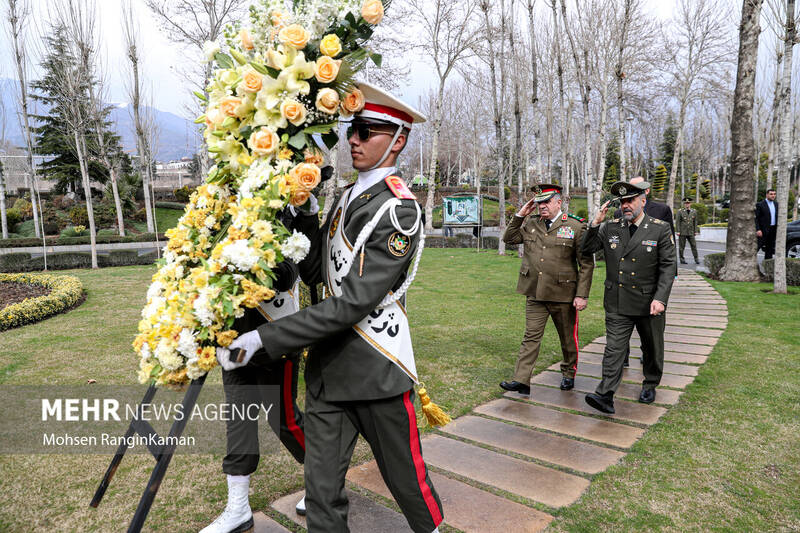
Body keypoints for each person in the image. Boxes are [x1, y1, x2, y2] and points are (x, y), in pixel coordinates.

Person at [216, 82, 444, 533]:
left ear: (398, 140)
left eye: (367, 131)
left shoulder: (398, 210)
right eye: (352, 130)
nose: (353, 140)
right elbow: (319, 271)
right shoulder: (347, 196)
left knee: (406, 483)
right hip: (327, 373)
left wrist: (263, 338)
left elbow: (353, 303)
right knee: (320, 495)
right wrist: (300, 207)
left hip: (374, 369)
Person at [201, 207, 309, 533]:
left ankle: (325, 480)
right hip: (231, 342)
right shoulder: (216, 210)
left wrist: (241, 260)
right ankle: (238, 508)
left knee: (284, 421)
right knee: (239, 422)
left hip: (274, 339)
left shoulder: (279, 203)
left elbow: (286, 273)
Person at [580, 180, 677, 413]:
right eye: (622, 201)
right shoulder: (612, 227)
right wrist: (595, 223)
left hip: (648, 302)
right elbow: (587, 248)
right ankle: (605, 394)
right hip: (617, 301)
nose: (625, 205)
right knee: (614, 349)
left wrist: (660, 298)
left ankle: (650, 383)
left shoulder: (659, 228)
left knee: (652, 347)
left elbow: (668, 266)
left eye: (630, 200)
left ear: (643, 201)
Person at [499, 184, 594, 395]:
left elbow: (586, 264)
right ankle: (521, 380)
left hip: (563, 295)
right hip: (535, 292)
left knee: (568, 339)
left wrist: (581, 295)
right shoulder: (532, 223)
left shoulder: (575, 226)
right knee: (531, 337)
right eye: (539, 202)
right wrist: (520, 215)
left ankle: (569, 372)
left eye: (546, 202)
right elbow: (509, 238)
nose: (541, 206)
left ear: (559, 202)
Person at [612, 176, 674, 368]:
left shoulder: (661, 211)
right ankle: (622, 357)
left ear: (645, 192)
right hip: (625, 283)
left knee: (651, 337)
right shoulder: (619, 212)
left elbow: (669, 251)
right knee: (620, 334)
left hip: (648, 280)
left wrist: (664, 289)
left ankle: (648, 364)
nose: (626, 203)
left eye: (636, 188)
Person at [675, 197, 699, 264]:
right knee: (681, 247)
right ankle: (682, 259)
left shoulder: (694, 211)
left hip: (691, 232)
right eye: (686, 203)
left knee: (694, 246)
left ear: (690, 203)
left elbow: (695, 222)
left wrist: (695, 231)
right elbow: (678, 222)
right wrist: (678, 231)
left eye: (688, 203)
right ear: (684, 204)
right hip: (682, 232)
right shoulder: (680, 211)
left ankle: (696, 259)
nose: (687, 204)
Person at [756, 189, 778, 259]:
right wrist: (758, 229)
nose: (773, 196)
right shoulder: (760, 204)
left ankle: (767, 265)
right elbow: (756, 218)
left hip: (773, 229)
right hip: (762, 230)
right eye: (771, 194)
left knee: (769, 249)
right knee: (757, 247)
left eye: (774, 194)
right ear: (767, 195)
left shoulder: (776, 204)